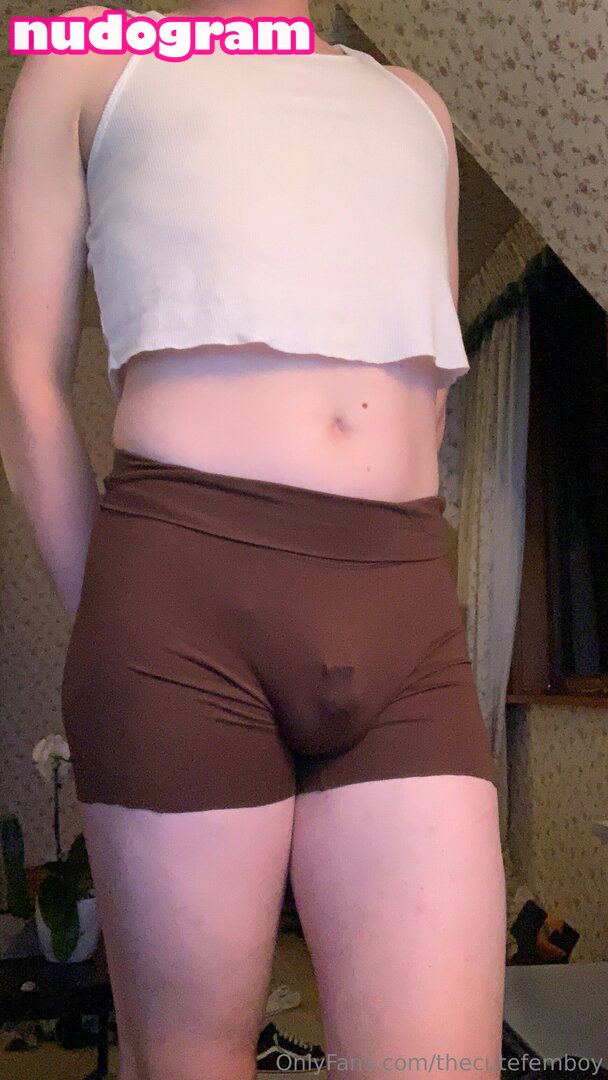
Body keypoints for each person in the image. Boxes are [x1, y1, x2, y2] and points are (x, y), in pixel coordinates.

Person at [0, 1, 507, 1077]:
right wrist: (125, 620)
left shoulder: (414, 102)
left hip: (404, 609)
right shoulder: (86, 55)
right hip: (178, 601)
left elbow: (419, 393)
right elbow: (23, 384)